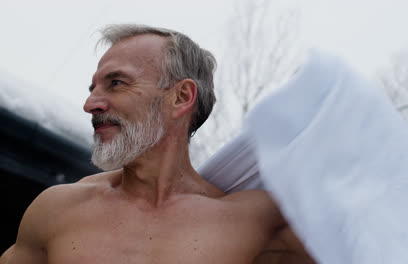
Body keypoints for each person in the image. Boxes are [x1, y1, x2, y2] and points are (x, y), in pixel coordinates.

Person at [0, 24, 315, 264]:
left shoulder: (257, 222)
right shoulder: (55, 211)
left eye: (116, 83)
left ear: (180, 97)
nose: (90, 104)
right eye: (93, 87)